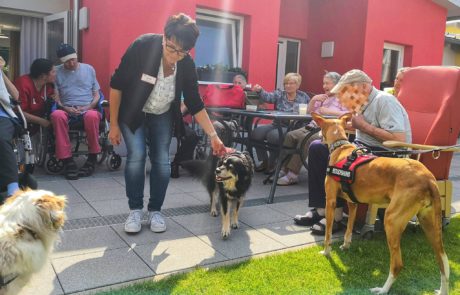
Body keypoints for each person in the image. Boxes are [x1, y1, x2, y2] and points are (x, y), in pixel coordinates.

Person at [108, 13, 227, 234]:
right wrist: (113, 124)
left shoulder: (186, 63)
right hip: (133, 111)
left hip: (162, 113)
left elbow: (194, 102)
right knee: (137, 156)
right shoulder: (142, 46)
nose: (175, 55)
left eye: (182, 51)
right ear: (164, 37)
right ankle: (135, 210)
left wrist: (213, 136)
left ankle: (155, 211)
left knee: (162, 161)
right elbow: (117, 85)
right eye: (171, 48)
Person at [293, 69, 412, 235]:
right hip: (362, 148)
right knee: (317, 148)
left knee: (340, 160)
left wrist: (363, 126)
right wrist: (347, 127)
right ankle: (321, 209)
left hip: (385, 154)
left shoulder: (384, 101)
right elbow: (361, 127)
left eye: (346, 91)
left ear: (363, 86)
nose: (343, 96)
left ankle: (335, 216)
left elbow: (399, 139)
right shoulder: (361, 102)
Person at [277, 72, 348, 186]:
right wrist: (314, 100)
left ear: (337, 84)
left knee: (305, 139)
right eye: (323, 83)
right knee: (290, 135)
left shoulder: (343, 98)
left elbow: (350, 114)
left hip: (328, 131)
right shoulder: (322, 97)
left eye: (327, 83)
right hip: (312, 126)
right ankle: (284, 168)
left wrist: (330, 112)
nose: (324, 86)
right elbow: (309, 112)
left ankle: (292, 174)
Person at [51, 44, 102, 180]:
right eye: (67, 61)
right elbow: (56, 96)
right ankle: (67, 159)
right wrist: (64, 107)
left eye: (73, 59)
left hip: (87, 108)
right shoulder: (56, 72)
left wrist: (89, 106)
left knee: (92, 116)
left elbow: (97, 94)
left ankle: (92, 156)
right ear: (61, 61)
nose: (71, 63)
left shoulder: (89, 69)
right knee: (56, 115)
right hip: (66, 108)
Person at [251, 73, 310, 174]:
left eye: (291, 83)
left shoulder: (303, 97)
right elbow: (268, 97)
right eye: (286, 83)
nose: (288, 86)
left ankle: (273, 163)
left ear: (298, 85)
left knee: (273, 136)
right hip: (276, 123)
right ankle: (264, 161)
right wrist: (260, 90)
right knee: (256, 133)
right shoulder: (280, 94)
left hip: (292, 126)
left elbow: (309, 112)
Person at [14, 58, 56, 133]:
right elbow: (18, 112)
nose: (55, 74)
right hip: (20, 124)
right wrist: (42, 121)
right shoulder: (23, 84)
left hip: (37, 126)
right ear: (43, 76)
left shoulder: (48, 86)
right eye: (53, 72)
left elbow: (53, 102)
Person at [0, 56, 20, 199]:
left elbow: (15, 95)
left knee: (1, 138)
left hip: (3, 115)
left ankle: (13, 187)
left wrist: (1, 72)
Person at [170, 100, 200, 178]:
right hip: (157, 119)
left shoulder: (181, 90)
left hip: (177, 121)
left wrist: (179, 113)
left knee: (192, 136)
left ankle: (178, 162)